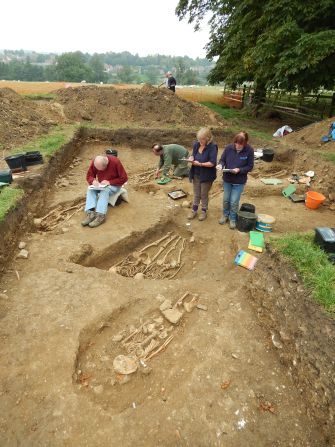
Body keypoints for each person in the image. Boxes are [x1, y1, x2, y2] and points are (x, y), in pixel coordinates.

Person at [217, 132, 254, 229]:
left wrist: (239, 170)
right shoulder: (229, 148)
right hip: (227, 179)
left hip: (239, 181)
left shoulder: (249, 150)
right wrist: (220, 165)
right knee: (226, 200)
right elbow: (222, 160)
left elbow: (250, 166)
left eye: (240, 144)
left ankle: (232, 218)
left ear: (245, 143)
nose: (237, 146)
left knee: (234, 201)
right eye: (236, 143)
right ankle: (225, 215)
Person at [81, 154, 128, 228]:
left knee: (105, 190)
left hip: (114, 185)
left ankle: (100, 216)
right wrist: (92, 181)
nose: (99, 171)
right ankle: (90, 213)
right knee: (90, 189)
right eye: (97, 169)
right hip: (101, 185)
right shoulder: (96, 162)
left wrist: (110, 182)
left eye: (101, 170)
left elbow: (124, 178)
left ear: (106, 165)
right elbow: (89, 175)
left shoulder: (115, 162)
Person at [188, 128, 218, 221]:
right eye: (199, 139)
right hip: (196, 173)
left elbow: (212, 163)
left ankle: (204, 211)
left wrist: (200, 164)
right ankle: (194, 210)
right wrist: (191, 158)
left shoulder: (213, 147)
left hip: (207, 175)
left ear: (208, 138)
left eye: (202, 139)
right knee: (196, 193)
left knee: (204, 194)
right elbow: (193, 155)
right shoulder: (197, 144)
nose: (200, 141)